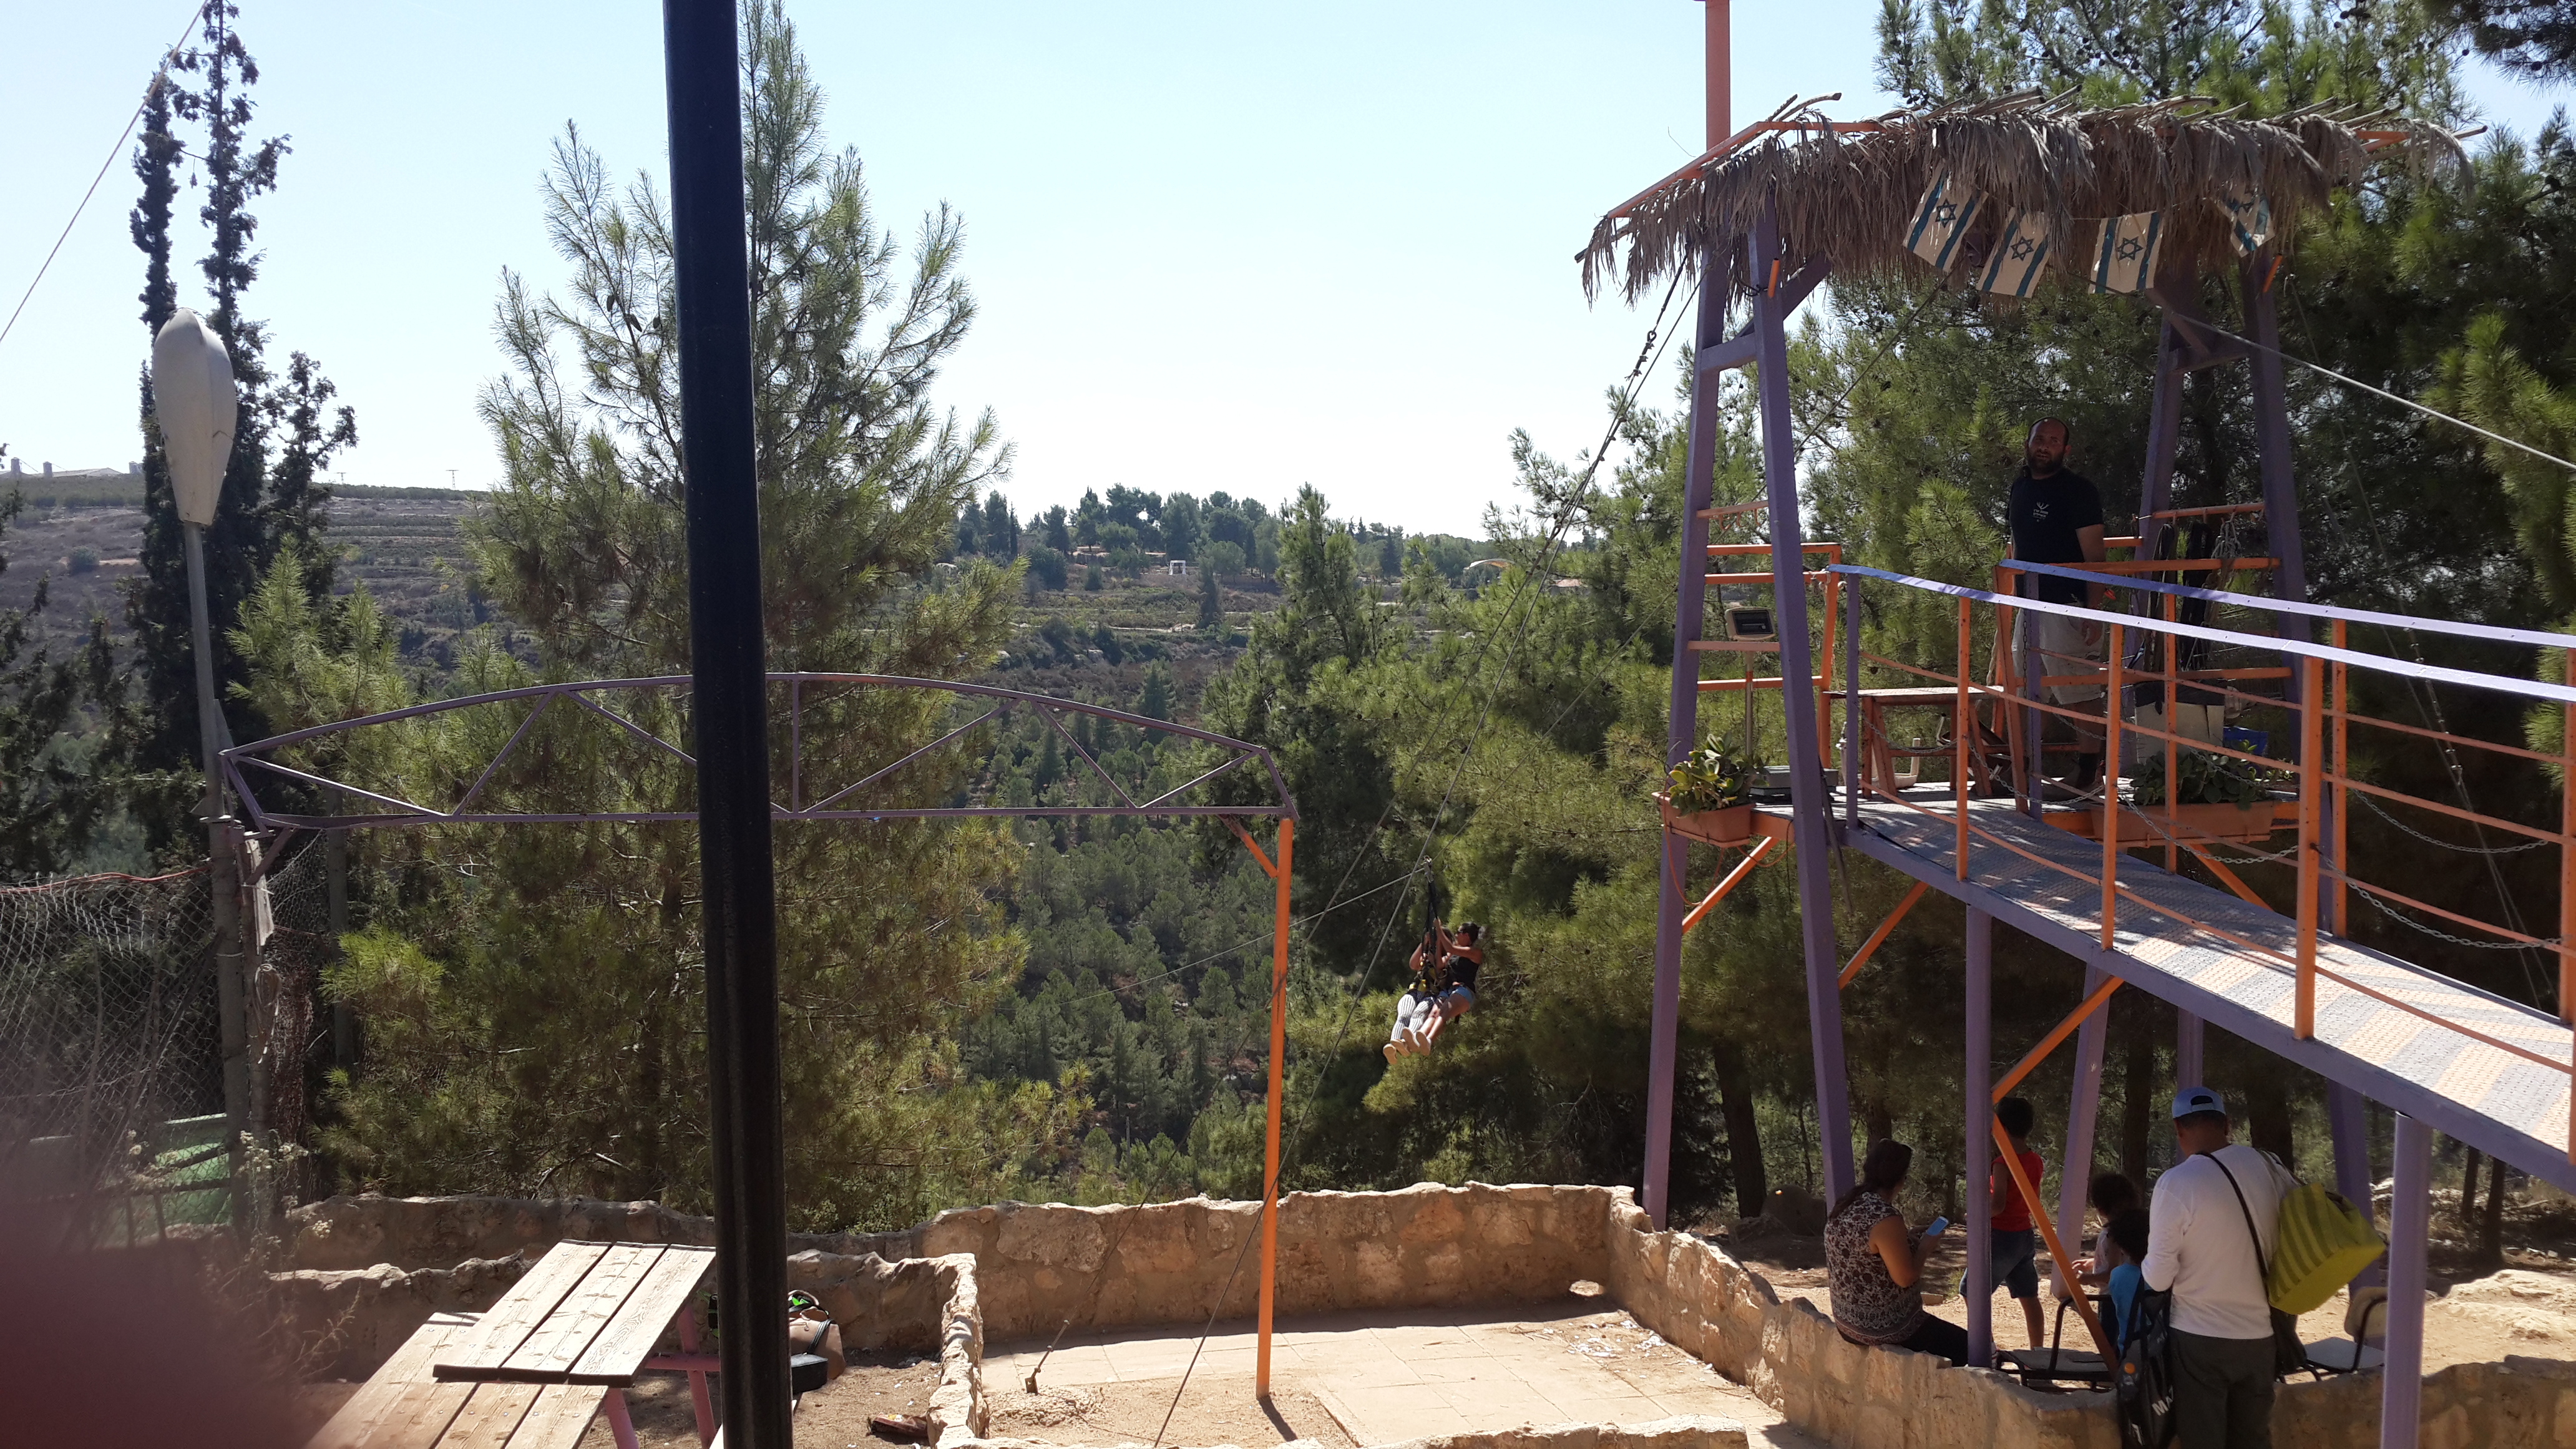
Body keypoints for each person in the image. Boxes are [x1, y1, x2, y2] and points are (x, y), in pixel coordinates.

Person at [2140, 1087, 2291, 1449]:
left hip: (2199, 1338)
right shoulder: (2269, 1166)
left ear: (2178, 1129)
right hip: (2261, 1334)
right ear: (2227, 1124)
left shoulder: (2176, 1184)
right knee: (2253, 1440)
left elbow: (2158, 1277)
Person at [2004, 417, 2111, 793]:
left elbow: (2095, 557)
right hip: (2028, 605)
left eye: (2053, 440)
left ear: (2065, 450)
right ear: (2028, 443)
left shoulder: (2078, 491)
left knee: (2079, 692)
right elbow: (2018, 545)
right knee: (2027, 692)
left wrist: (2092, 612)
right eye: (2039, 439)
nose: (2044, 446)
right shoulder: (2019, 487)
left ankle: (2089, 776)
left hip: (2066, 605)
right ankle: (2021, 772)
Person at [1823, 1139, 1970, 1365]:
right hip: (1884, 1327)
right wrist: (1925, 1247)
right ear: (1902, 1179)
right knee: (1972, 1347)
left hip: (1847, 1323)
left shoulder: (1848, 1203)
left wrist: (1906, 1238)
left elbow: (1867, 1249)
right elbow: (1905, 1277)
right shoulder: (1885, 1217)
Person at [1989, 1096, 2047, 1350]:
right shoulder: (2035, 1161)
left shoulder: (2002, 1164)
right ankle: (2038, 1351)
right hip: (2024, 1234)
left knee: (1971, 1291)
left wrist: (1977, 1214)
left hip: (2002, 1235)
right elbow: (2033, 1199)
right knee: (2029, 1296)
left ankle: (1987, 1348)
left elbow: (1998, 1206)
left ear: (2001, 1127)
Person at [1383, 922, 1482, 1060]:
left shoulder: (1474, 952)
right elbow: (1440, 964)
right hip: (1447, 991)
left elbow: (1450, 949)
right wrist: (1430, 943)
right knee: (1432, 1014)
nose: (1456, 935)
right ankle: (1410, 1042)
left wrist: (1438, 930)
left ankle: (1428, 1040)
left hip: (1462, 989)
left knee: (1441, 1013)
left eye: (1458, 933)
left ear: (1466, 935)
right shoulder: (1452, 955)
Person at [2066, 1171, 2144, 1294]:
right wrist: (2094, 1263)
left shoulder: (2113, 1235)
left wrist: (2087, 1279)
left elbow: (2113, 1274)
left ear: (2101, 1209)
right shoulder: (2133, 1229)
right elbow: (2123, 1261)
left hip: (2112, 1296)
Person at [2100, 1207, 2153, 1352]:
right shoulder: (2163, 1274)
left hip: (2129, 1349)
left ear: (2121, 1247)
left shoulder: (2119, 1275)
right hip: (2160, 1346)